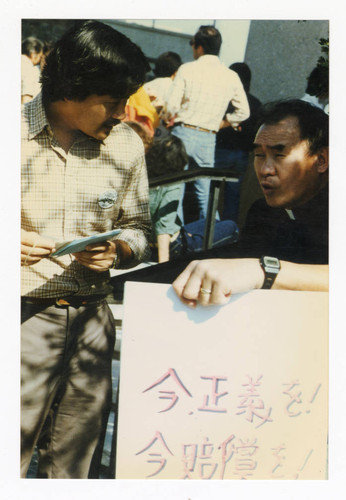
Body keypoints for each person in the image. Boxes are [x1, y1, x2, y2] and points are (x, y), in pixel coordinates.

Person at [21, 20, 151, 478]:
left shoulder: (126, 144)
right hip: (22, 319)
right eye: (112, 102)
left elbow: (139, 227)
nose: (120, 112)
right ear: (74, 89)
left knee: (75, 465)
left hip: (95, 320)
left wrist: (118, 250)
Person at [172, 100, 329, 307]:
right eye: (259, 155)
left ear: (321, 160)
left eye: (279, 154)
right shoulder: (263, 213)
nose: (265, 169)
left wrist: (264, 271)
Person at [165, 25, 250, 220]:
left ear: (200, 47)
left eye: (193, 44)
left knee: (174, 190)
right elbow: (244, 111)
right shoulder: (231, 76)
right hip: (208, 137)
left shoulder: (186, 69)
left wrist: (165, 119)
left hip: (182, 133)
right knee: (205, 194)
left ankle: (175, 238)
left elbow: (171, 106)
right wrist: (223, 123)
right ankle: (209, 240)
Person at [143, 134, 239, 262]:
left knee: (209, 221)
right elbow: (163, 229)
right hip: (173, 246)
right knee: (231, 226)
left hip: (159, 238)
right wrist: (163, 266)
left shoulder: (145, 176)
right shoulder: (173, 184)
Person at [215, 62, 263, 222]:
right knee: (233, 196)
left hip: (220, 151)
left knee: (210, 194)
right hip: (242, 155)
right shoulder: (256, 104)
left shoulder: (226, 101)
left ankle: (208, 228)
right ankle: (229, 230)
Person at [21, 36, 44, 103]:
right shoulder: (29, 68)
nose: (40, 60)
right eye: (40, 56)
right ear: (33, 54)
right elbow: (26, 98)